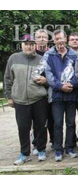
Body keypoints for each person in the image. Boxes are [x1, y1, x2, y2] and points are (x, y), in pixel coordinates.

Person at [4, 35, 48, 165]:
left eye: (31, 44)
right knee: (23, 127)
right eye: (26, 44)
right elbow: (7, 78)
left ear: (35, 45)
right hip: (20, 99)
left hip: (38, 98)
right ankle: (24, 153)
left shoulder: (42, 60)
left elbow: (49, 79)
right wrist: (9, 97)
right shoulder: (14, 58)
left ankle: (41, 149)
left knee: (40, 126)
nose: (28, 46)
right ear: (22, 45)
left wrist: (45, 81)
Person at [45, 29, 78, 162]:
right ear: (54, 40)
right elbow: (48, 75)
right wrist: (60, 86)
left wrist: (71, 84)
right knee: (57, 123)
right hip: (57, 96)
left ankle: (70, 147)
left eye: (62, 38)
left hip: (71, 94)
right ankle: (58, 150)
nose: (60, 40)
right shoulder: (49, 55)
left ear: (66, 39)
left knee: (71, 123)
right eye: (57, 38)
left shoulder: (74, 55)